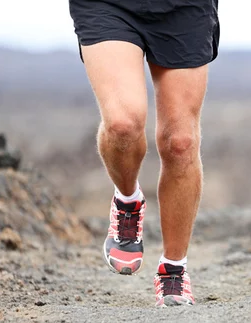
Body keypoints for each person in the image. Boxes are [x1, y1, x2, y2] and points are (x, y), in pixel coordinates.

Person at [69, 0, 219, 306]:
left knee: (180, 142)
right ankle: (127, 200)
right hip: (108, 6)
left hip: (184, 7)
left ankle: (173, 269)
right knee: (123, 124)